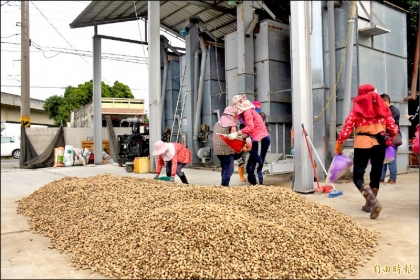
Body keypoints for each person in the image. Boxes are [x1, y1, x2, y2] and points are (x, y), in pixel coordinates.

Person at [335, 84, 398, 219]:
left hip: (362, 144)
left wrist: (339, 145)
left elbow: (346, 129)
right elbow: (393, 129)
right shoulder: (384, 109)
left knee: (358, 176)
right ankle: (370, 204)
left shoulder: (357, 110)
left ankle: (373, 202)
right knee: (376, 173)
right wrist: (389, 136)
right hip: (380, 144)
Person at [229, 95, 271, 185]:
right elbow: (251, 129)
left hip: (260, 139)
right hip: (256, 139)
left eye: (234, 105)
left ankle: (258, 188)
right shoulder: (247, 112)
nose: (233, 107)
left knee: (256, 165)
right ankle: (253, 185)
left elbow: (250, 127)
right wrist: (239, 137)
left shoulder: (247, 111)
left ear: (239, 104)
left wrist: (237, 133)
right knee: (250, 167)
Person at [212, 106, 238, 187]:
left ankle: (223, 185)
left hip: (217, 149)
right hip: (226, 149)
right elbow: (234, 137)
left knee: (224, 167)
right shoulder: (231, 124)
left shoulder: (218, 123)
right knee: (229, 169)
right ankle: (224, 185)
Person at [380, 93, 400, 185]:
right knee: (383, 158)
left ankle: (392, 178)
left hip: (392, 138)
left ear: (386, 101)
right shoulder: (384, 110)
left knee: (391, 158)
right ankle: (381, 178)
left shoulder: (394, 110)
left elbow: (391, 123)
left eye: (381, 102)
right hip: (384, 138)